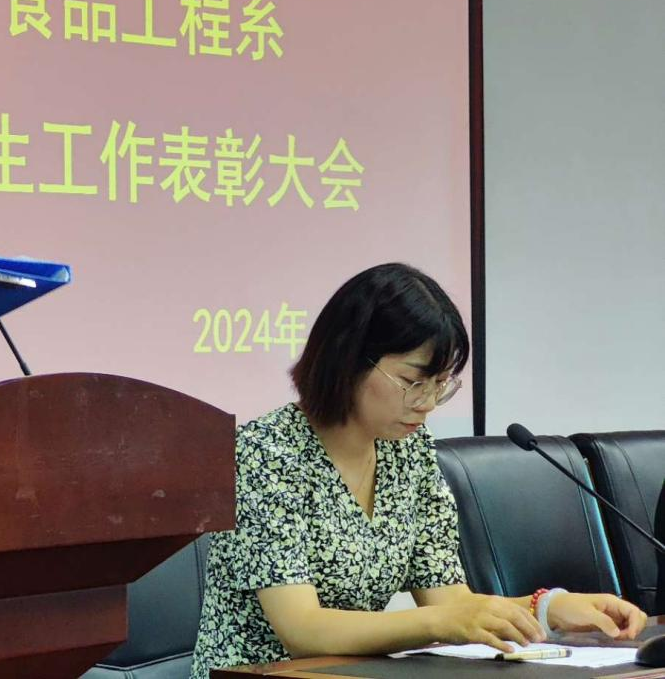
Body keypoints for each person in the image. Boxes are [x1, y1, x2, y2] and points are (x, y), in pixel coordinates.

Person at [191, 263, 647, 675]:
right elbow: (303, 630)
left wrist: (547, 608)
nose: (427, 403)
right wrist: (438, 623)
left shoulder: (408, 450)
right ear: (349, 359)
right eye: (413, 382)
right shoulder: (264, 453)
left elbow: (450, 600)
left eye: (440, 385)